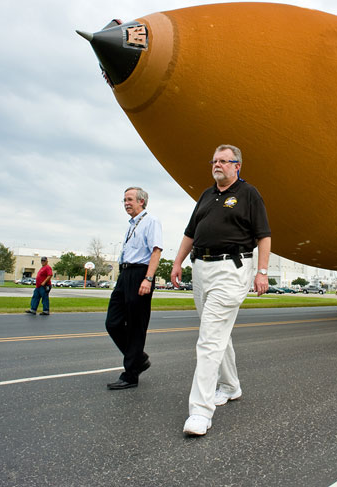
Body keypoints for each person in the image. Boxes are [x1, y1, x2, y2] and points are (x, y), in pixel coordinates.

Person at [171, 144, 271, 437]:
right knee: (215, 332)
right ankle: (230, 386)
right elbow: (190, 232)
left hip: (231, 269)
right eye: (214, 160)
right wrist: (177, 263)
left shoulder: (248, 194)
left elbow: (264, 236)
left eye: (224, 161)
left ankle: (200, 412)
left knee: (208, 340)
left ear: (237, 166)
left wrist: (261, 272)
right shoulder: (206, 194)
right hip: (200, 267)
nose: (217, 165)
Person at [105, 187, 163, 390]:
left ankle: (130, 375)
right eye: (124, 200)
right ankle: (138, 358)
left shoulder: (151, 221)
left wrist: (148, 278)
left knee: (136, 325)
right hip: (125, 275)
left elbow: (156, 251)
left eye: (129, 199)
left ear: (141, 201)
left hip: (140, 274)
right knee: (113, 322)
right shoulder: (131, 225)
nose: (126, 203)